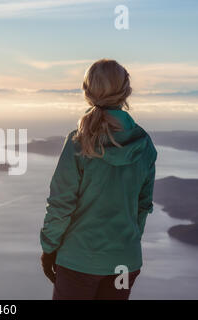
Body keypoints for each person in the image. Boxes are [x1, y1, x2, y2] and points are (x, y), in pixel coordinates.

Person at [40, 59, 157, 300]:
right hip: (125, 262)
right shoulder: (143, 144)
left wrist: (49, 248)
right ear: (126, 92)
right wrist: (125, 246)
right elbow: (142, 206)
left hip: (79, 261)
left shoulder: (78, 142)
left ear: (87, 91)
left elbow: (61, 204)